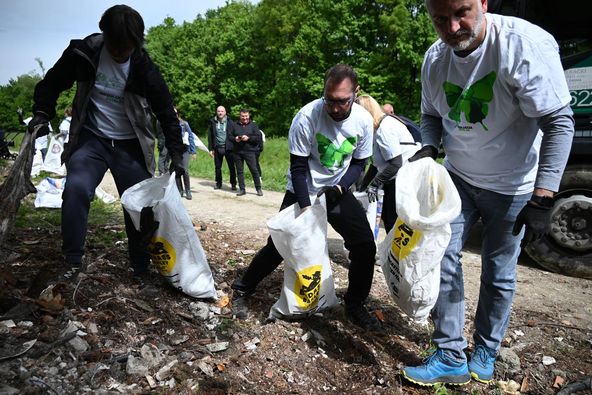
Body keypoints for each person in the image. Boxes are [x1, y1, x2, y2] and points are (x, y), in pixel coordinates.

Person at [401, 0, 574, 387]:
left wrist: (544, 194)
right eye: (440, 19)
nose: (453, 26)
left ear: (483, 3)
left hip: (513, 185)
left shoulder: (521, 45)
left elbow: (559, 122)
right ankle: (448, 352)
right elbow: (430, 115)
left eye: (462, 12)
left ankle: (486, 350)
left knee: (499, 272)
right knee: (440, 255)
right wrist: (429, 149)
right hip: (458, 178)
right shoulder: (435, 58)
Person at [27, 5, 185, 277]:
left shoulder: (145, 68)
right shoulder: (83, 53)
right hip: (91, 139)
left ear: (136, 42)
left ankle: (140, 265)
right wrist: (42, 113)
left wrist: (178, 156)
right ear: (105, 35)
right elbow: (51, 83)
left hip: (130, 144)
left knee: (139, 204)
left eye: (126, 48)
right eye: (115, 46)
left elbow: (167, 115)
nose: (120, 52)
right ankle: (72, 261)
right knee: (76, 188)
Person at [231, 64, 381, 331]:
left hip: (336, 190)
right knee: (280, 246)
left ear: (355, 93)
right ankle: (243, 288)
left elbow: (360, 163)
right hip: (303, 188)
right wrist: (305, 207)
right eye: (329, 100)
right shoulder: (306, 117)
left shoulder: (362, 120)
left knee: (365, 246)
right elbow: (298, 168)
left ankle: (355, 304)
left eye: (342, 102)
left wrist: (340, 188)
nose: (335, 108)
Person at [355, 94, 420, 233]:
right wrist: (362, 189)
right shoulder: (378, 128)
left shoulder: (385, 129)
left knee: (392, 219)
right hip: (397, 176)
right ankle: (393, 251)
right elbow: (376, 165)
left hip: (404, 178)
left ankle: (397, 254)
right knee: (387, 217)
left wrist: (374, 184)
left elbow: (396, 163)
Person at [230, 108, 263, 196]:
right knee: (240, 171)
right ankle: (242, 189)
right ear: (240, 116)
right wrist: (235, 139)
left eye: (246, 116)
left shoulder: (253, 125)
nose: (245, 118)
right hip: (237, 151)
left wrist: (248, 138)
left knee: (254, 170)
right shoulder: (234, 125)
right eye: (243, 116)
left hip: (250, 151)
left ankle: (258, 188)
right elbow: (229, 136)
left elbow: (258, 137)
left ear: (249, 115)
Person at [207, 106, 237, 190]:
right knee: (217, 167)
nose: (220, 113)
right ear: (216, 112)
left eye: (222, 111)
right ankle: (218, 183)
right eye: (219, 111)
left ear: (225, 112)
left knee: (231, 167)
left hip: (228, 148)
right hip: (217, 148)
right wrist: (210, 149)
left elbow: (234, 134)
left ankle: (233, 183)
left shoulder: (230, 122)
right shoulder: (213, 121)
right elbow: (210, 136)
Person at [175, 109, 196, 200]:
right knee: (177, 170)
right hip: (175, 150)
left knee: (185, 170)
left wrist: (193, 151)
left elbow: (191, 136)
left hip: (185, 149)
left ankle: (188, 190)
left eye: (175, 113)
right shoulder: (169, 124)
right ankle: (180, 190)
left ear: (178, 114)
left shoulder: (184, 123)